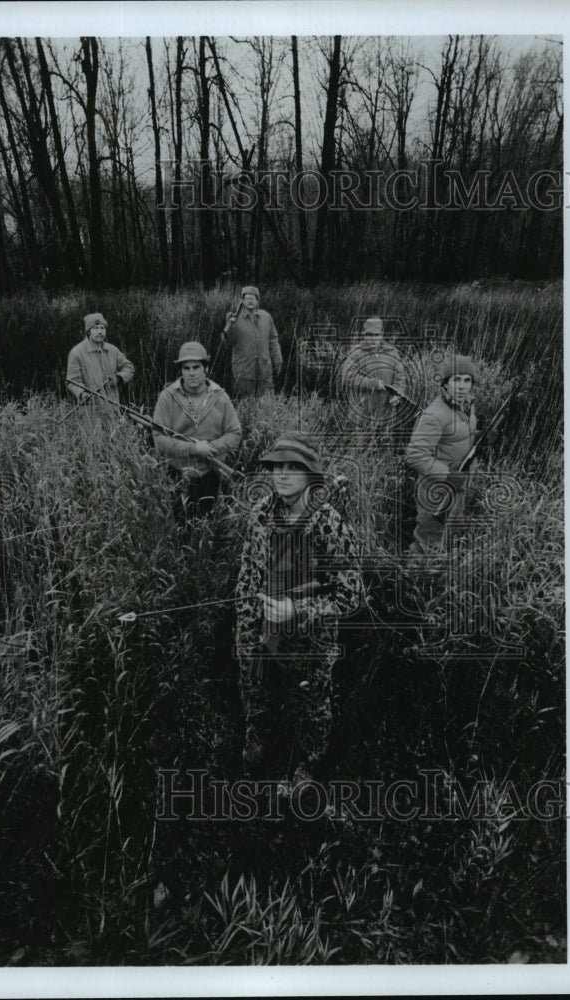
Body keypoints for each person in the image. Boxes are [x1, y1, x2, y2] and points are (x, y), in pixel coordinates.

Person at [235, 432, 363, 792]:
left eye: (294, 467)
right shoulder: (260, 515)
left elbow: (351, 596)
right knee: (255, 689)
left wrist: (297, 610)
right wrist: (248, 636)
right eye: (277, 466)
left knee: (312, 707)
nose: (283, 474)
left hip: (311, 644)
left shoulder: (330, 525)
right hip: (263, 634)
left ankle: (308, 763)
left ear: (311, 476)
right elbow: (247, 578)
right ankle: (257, 742)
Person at [152, 341, 241, 518]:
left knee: (208, 524)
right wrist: (194, 449)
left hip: (210, 474)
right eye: (186, 368)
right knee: (179, 525)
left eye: (196, 367)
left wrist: (209, 447)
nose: (191, 373)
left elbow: (235, 433)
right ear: (181, 370)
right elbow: (158, 439)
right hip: (177, 474)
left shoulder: (220, 397)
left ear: (205, 368)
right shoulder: (168, 396)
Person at [405, 355, 480, 554]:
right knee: (427, 543)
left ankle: (437, 580)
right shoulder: (435, 414)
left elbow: (456, 436)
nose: (462, 386)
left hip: (457, 486)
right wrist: (448, 475)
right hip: (435, 490)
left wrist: (477, 435)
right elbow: (415, 456)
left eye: (467, 380)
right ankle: (410, 580)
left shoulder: (467, 406)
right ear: (446, 384)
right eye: (456, 380)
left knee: (446, 537)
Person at [339, 316, 408, 429]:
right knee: (361, 443)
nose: (373, 339)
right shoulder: (356, 352)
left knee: (384, 441)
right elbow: (347, 377)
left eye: (376, 335)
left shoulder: (392, 352)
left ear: (382, 334)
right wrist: (373, 383)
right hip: (361, 411)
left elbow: (400, 377)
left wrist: (396, 394)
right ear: (364, 334)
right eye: (369, 335)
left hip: (385, 409)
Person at [221, 286, 283, 398]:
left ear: (257, 300)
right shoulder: (234, 319)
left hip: (265, 373)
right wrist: (229, 325)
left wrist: (277, 358)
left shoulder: (266, 317)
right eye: (246, 298)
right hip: (243, 374)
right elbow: (226, 344)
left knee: (267, 406)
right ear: (242, 301)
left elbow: (273, 340)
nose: (249, 300)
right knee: (245, 408)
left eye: (252, 298)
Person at [66, 312, 135, 405]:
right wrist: (81, 393)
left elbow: (129, 367)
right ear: (88, 331)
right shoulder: (77, 353)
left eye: (102, 328)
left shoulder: (113, 350)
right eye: (95, 328)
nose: (100, 331)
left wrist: (118, 378)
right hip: (90, 410)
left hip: (113, 408)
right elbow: (72, 381)